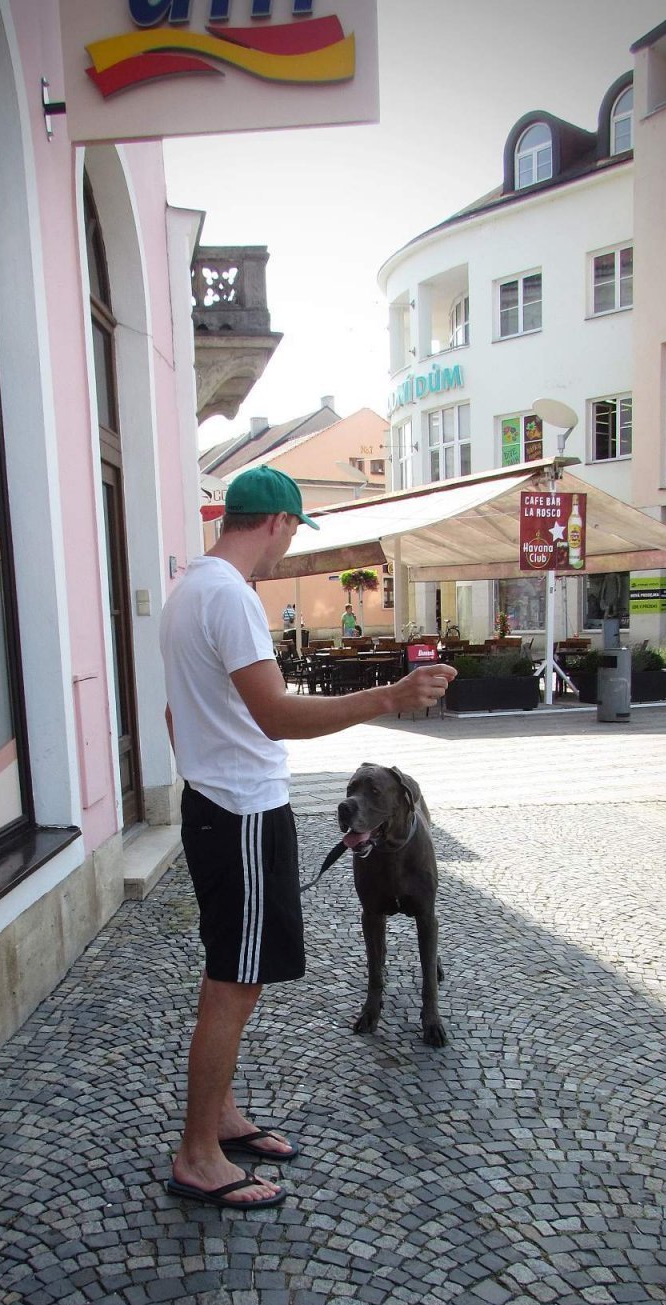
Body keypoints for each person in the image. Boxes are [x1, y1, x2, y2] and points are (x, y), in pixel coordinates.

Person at [159, 464, 455, 1210]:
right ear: (277, 523)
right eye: (292, 532)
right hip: (239, 813)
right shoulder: (229, 597)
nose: (288, 548)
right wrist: (388, 696)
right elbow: (278, 715)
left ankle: (218, 1117)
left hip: (215, 803)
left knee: (237, 973)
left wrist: (209, 762)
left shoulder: (189, 590)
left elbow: (177, 716)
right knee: (232, 981)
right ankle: (197, 1155)